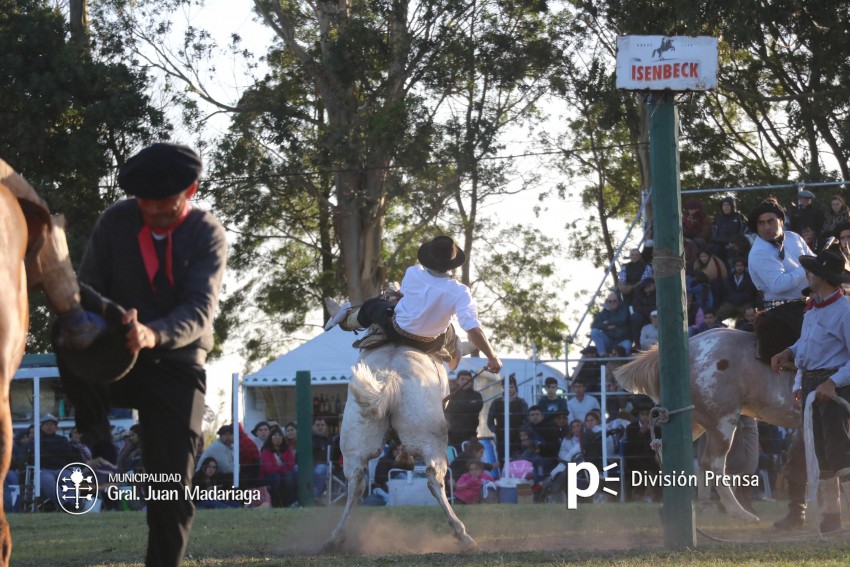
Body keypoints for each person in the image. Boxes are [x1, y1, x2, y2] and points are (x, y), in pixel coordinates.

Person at [58, 142, 227, 566]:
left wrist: (155, 334)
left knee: (169, 491)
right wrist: (114, 317)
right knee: (65, 327)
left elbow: (200, 309)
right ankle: (97, 441)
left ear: (191, 190)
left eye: (165, 206)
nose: (152, 213)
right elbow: (85, 287)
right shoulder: (115, 220)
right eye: (145, 204)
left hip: (177, 363)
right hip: (119, 350)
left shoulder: (207, 232)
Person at [325, 235, 502, 374]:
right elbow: (473, 328)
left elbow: (405, 299)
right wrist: (492, 357)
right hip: (430, 343)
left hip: (397, 332)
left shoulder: (413, 273)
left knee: (373, 306)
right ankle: (456, 350)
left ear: (429, 259)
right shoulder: (460, 291)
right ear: (452, 264)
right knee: (449, 329)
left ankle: (346, 320)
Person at [771, 248, 850, 534]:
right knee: (821, 453)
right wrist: (788, 352)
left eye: (813, 271)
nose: (808, 274)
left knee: (839, 452)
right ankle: (831, 518)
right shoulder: (813, 307)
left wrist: (833, 383)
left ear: (825, 277)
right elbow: (806, 346)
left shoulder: (845, 311)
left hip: (834, 387)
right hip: (811, 385)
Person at [747, 197, 812, 530]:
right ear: (757, 228)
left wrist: (809, 271)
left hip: (805, 302)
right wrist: (809, 270)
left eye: (773, 220)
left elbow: (805, 271)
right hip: (780, 311)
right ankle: (809, 380)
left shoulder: (796, 239)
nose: (769, 226)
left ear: (781, 221)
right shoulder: (758, 253)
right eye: (762, 223)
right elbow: (780, 285)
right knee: (816, 345)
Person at [26, 414, 82, 510]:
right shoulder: (36, 440)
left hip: (61, 469)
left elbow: (68, 454)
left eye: (52, 424)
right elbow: (32, 457)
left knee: (71, 479)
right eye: (46, 424)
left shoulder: (63, 440)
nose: (49, 427)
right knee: (48, 481)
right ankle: (65, 504)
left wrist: (49, 451)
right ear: (41, 426)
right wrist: (55, 451)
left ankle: (73, 505)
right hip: (43, 470)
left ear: (56, 427)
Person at [622, 407, 661, 502]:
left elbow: (659, 443)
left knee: (658, 470)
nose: (645, 417)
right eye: (643, 414)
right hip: (635, 458)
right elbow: (631, 445)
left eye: (648, 414)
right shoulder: (631, 427)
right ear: (639, 416)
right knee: (637, 471)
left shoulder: (656, 428)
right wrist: (641, 433)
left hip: (652, 458)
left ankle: (658, 496)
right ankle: (637, 495)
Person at [487, 374, 528, 460]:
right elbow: (490, 420)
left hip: (517, 438)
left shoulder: (521, 402)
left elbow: (527, 419)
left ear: (515, 387)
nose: (509, 389)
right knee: (502, 459)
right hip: (501, 437)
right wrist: (496, 430)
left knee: (517, 460)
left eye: (511, 386)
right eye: (507, 386)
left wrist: (522, 431)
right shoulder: (496, 402)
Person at [444, 369, 484, 449]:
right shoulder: (450, 394)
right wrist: (469, 404)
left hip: (471, 435)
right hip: (452, 436)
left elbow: (477, 407)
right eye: (462, 379)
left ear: (471, 382)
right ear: (457, 381)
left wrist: (457, 404)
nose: (465, 381)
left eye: (468, 379)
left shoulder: (476, 395)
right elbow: (448, 408)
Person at [259, 426, 297, 507]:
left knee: (290, 475)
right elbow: (269, 469)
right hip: (269, 476)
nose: (277, 438)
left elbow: (291, 465)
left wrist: (279, 466)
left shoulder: (287, 450)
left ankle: (290, 502)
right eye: (275, 436)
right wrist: (282, 467)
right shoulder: (266, 451)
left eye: (279, 436)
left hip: (284, 474)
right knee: (276, 477)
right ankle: (275, 503)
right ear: (270, 438)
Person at [715, 258, 758, 322]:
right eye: (737, 266)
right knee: (719, 314)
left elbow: (750, 292)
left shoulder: (749, 278)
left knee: (751, 316)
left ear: (744, 267)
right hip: (731, 303)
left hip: (744, 303)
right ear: (734, 267)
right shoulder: (729, 278)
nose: (739, 267)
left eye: (741, 266)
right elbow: (727, 291)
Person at [589, 292, 632, 356]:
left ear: (618, 301)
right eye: (610, 301)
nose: (612, 303)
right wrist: (606, 326)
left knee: (628, 345)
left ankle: (619, 360)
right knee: (594, 332)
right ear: (607, 302)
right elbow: (594, 325)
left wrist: (608, 322)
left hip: (622, 340)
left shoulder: (624, 309)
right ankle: (603, 355)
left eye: (614, 301)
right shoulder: (603, 313)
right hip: (608, 341)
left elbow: (622, 320)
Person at [711, 196, 748, 266]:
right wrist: (714, 240)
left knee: (731, 253)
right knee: (714, 251)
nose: (726, 207)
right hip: (719, 242)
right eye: (724, 205)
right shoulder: (719, 218)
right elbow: (714, 231)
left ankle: (732, 272)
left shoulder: (739, 217)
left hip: (734, 243)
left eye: (728, 205)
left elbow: (745, 230)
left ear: (732, 206)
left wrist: (736, 242)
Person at [629, 278, 657, 349]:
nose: (647, 288)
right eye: (646, 286)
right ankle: (637, 343)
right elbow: (636, 308)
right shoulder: (639, 293)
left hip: (657, 314)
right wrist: (648, 311)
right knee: (634, 317)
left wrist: (650, 310)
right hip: (644, 316)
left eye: (649, 286)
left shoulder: (658, 293)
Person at [311, 417, 333, 501]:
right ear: (313, 427)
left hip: (323, 466)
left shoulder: (330, 440)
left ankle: (315, 496)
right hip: (309, 466)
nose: (320, 427)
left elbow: (329, 457)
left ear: (326, 427)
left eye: (322, 425)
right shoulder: (308, 439)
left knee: (319, 469)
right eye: (317, 425)